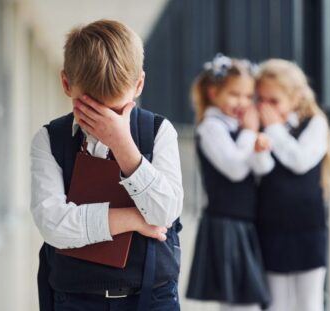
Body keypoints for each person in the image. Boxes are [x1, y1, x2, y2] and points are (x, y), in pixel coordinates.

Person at [30, 19, 183, 311]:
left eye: (114, 111)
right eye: (90, 108)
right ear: (66, 84)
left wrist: (123, 145)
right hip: (76, 299)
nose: (105, 123)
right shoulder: (49, 139)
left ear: (138, 84)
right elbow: (53, 225)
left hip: (152, 295)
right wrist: (136, 220)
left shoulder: (159, 131)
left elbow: (166, 211)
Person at [186, 54, 272, 311]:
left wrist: (256, 143)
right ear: (214, 93)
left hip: (241, 221)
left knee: (242, 300)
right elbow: (235, 169)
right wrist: (249, 132)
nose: (243, 103)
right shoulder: (211, 127)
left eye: (248, 96)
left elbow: (261, 168)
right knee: (239, 303)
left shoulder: (235, 127)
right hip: (226, 222)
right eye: (235, 94)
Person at [255, 59, 330, 311]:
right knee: (275, 302)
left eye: (274, 101)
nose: (266, 108)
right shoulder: (262, 128)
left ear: (296, 98)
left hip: (307, 225)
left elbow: (300, 161)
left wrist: (274, 129)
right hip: (271, 224)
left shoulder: (315, 123)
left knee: (309, 303)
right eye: (262, 100)